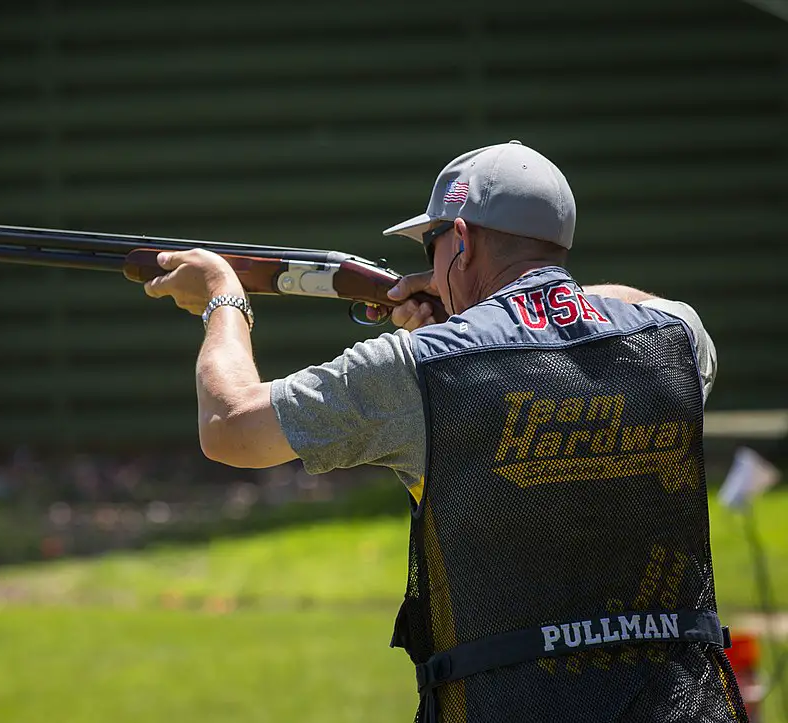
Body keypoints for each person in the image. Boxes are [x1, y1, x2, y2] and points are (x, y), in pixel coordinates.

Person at [143, 140, 748, 723]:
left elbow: (229, 426)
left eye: (432, 242)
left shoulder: (421, 367)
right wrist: (510, 305)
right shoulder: (673, 341)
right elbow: (643, 308)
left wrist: (223, 300)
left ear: (461, 239)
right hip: (684, 706)